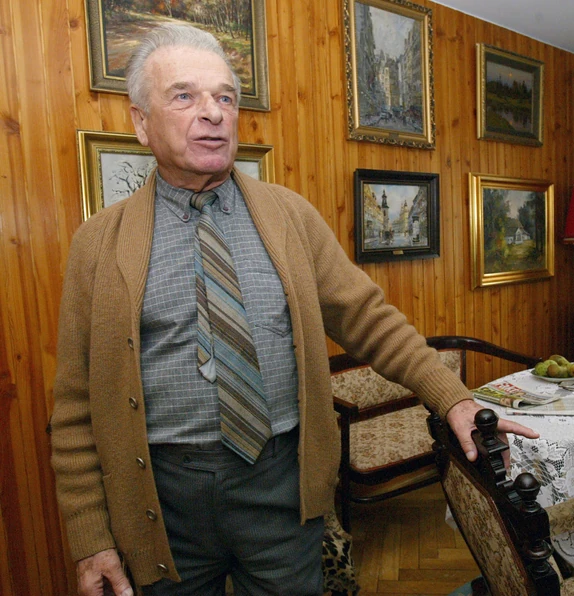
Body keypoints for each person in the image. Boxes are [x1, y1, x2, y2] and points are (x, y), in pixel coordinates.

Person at [50, 23, 539, 596]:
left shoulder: (290, 216)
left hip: (281, 487)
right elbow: (76, 405)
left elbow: (370, 320)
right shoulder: (98, 245)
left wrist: (452, 397)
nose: (213, 113)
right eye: (184, 96)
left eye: (225, 97)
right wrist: (90, 538)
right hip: (159, 502)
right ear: (140, 122)